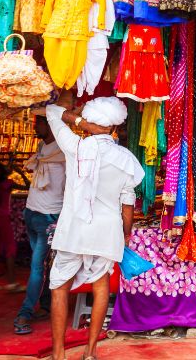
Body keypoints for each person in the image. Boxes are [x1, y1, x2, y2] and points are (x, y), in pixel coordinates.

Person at [40, 93, 144, 360]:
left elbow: (52, 111)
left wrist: (80, 122)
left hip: (74, 229)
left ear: (91, 122)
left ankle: (58, 353)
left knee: (59, 288)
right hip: (107, 231)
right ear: (116, 127)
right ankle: (90, 352)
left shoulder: (76, 146)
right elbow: (128, 203)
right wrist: (126, 233)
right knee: (100, 288)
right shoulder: (126, 158)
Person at [13, 115, 67, 335]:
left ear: (51, 126)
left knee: (37, 266)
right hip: (32, 212)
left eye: (40, 122)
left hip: (48, 216)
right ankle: (44, 303)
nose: (36, 126)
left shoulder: (64, 154)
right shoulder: (42, 147)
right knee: (41, 265)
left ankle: (24, 314)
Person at [0, 161, 22, 292]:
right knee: (10, 247)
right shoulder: (8, 183)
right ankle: (12, 282)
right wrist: (20, 173)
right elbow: (28, 186)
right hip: (3, 217)